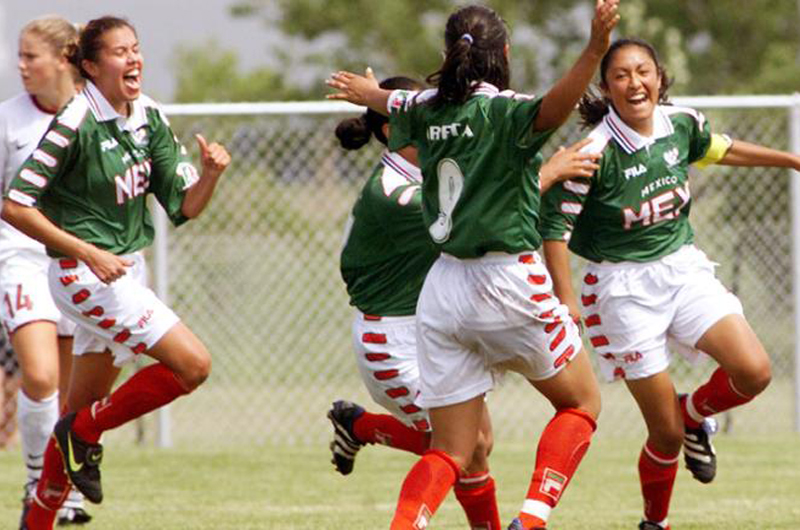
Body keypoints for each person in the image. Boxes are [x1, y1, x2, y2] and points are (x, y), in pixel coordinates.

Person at [326, 2, 619, 529]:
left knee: (452, 451)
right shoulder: (506, 111)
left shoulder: (425, 108)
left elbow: (389, 99)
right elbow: (559, 102)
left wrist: (367, 92)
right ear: (503, 53)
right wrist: (595, 48)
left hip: (443, 290)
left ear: (448, 54)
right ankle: (528, 523)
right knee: (581, 404)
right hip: (507, 280)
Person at [539, 38, 798, 530]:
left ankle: (695, 410)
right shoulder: (594, 151)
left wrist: (791, 160)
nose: (634, 83)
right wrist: (566, 298)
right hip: (622, 290)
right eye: (621, 75)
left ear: (659, 76)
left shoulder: (683, 124)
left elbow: (718, 149)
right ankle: (655, 522)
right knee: (665, 436)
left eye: (643, 72)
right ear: (606, 87)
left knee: (755, 371)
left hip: (681, 268)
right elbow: (555, 228)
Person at [3, 15, 230, 530]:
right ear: (89, 65)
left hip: (126, 273)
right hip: (86, 278)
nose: (134, 59)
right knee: (193, 366)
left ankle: (39, 514)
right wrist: (87, 252)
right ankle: (83, 433)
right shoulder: (74, 121)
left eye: (136, 48)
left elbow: (184, 206)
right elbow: (16, 206)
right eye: (119, 52)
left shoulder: (148, 115)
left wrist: (211, 176)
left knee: (76, 413)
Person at [0, 15, 92, 526]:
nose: (21, 65)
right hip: (21, 259)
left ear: (63, 58)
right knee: (39, 376)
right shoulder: (8, 119)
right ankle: (38, 481)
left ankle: (64, 487)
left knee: (72, 392)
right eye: (19, 54)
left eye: (30, 56)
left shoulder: (91, 114)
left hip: (79, 263)